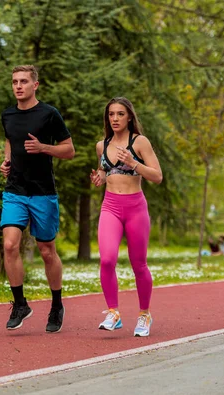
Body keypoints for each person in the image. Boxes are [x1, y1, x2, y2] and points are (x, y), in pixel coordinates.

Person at [0, 65, 75, 333]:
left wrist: (43, 148)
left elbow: (69, 150)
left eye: (23, 81)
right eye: (14, 82)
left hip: (43, 193)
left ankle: (56, 304)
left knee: (46, 251)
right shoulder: (7, 114)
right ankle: (20, 304)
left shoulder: (49, 114)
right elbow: (10, 140)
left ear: (35, 85)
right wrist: (7, 160)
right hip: (15, 191)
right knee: (10, 245)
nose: (18, 86)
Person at [90, 97, 163, 337]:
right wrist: (99, 178)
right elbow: (104, 170)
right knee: (107, 259)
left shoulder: (139, 142)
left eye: (120, 114)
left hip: (135, 207)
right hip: (110, 205)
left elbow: (157, 176)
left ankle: (144, 315)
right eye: (111, 114)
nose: (115, 119)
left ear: (129, 116)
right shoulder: (102, 145)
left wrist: (134, 163)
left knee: (138, 263)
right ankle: (114, 312)